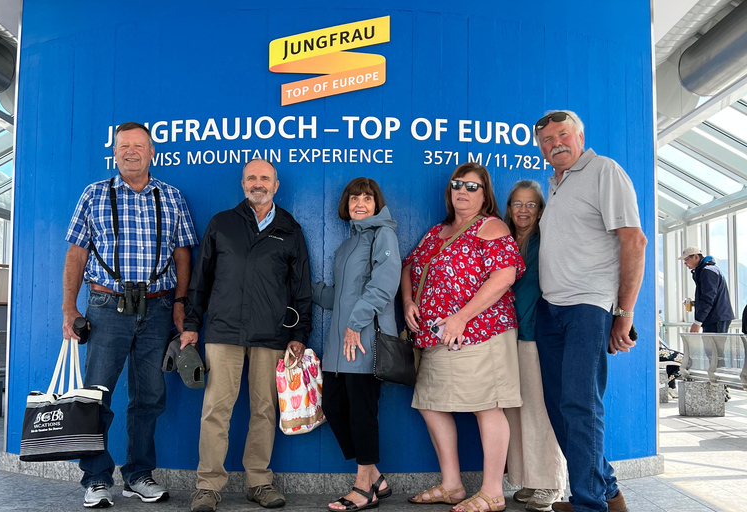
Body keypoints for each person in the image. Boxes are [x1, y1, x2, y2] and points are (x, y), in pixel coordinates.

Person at [62, 122, 197, 508]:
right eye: (125, 146)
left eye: (139, 146)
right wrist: (69, 307)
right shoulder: (94, 194)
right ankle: (96, 478)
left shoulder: (171, 197)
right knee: (96, 395)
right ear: (115, 151)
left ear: (152, 152)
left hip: (157, 307)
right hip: (106, 307)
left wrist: (180, 302)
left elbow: (183, 254)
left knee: (150, 397)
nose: (132, 152)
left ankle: (138, 475)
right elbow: (76, 254)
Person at [182, 158, 312, 512]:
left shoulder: (290, 228)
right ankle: (207, 486)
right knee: (215, 410)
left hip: (271, 335)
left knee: (265, 410)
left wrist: (300, 334)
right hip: (223, 332)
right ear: (242, 184)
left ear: (276, 184)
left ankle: (259, 481)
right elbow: (200, 281)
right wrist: (192, 325)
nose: (258, 183)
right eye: (252, 177)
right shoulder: (221, 223)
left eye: (265, 178)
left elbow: (301, 290)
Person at [533, 110, 647, 512]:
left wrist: (625, 313)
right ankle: (605, 493)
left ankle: (588, 505)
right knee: (560, 405)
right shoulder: (557, 183)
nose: (555, 144)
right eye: (546, 140)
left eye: (562, 135)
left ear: (580, 136)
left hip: (588, 306)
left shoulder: (604, 170)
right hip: (552, 310)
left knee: (580, 405)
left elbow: (634, 241)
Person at [401, 163, 525, 512]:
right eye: (457, 185)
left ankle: (492, 492)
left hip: (482, 332)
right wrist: (410, 300)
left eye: (472, 187)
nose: (462, 191)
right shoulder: (436, 232)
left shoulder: (491, 226)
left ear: (485, 194)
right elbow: (409, 265)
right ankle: (452, 485)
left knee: (487, 406)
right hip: (437, 336)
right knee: (430, 403)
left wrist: (460, 317)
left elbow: (505, 275)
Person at [312, 177, 400, 512]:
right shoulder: (347, 246)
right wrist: (306, 288)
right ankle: (376, 476)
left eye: (366, 198)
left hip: (363, 342)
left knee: (363, 413)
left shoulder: (383, 235)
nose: (359, 204)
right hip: (338, 346)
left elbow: (383, 285)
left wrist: (355, 324)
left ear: (376, 203)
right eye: (353, 199)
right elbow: (340, 296)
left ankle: (364, 488)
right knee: (334, 408)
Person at [502, 180, 566, 512]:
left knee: (540, 412)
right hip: (508, 337)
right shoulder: (507, 241)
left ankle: (551, 483)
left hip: (536, 337)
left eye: (531, 204)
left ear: (540, 210)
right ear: (509, 208)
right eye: (517, 204)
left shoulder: (544, 242)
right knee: (516, 411)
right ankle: (529, 478)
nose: (524, 210)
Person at [679, 247, 734, 333]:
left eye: (686, 260)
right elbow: (711, 295)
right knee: (712, 346)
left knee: (714, 346)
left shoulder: (708, 271)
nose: (685, 263)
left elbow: (708, 298)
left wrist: (697, 322)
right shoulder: (706, 270)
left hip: (716, 317)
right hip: (716, 316)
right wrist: (695, 303)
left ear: (696, 257)